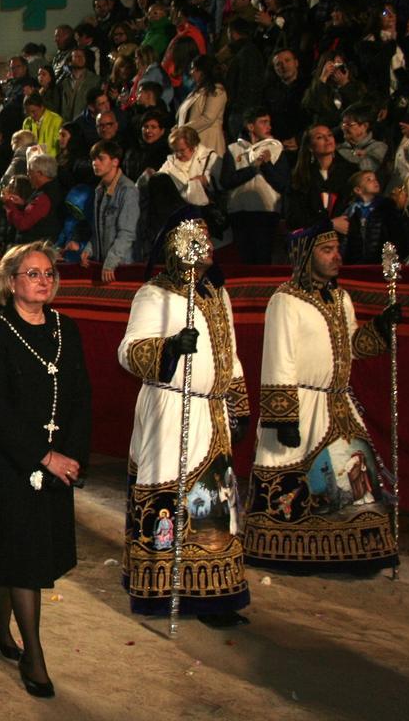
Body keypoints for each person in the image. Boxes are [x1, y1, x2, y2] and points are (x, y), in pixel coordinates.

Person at [242, 223, 401, 573]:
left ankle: (360, 555)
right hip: (301, 405)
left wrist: (381, 329)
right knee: (299, 474)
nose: (336, 258)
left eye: (337, 250)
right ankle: (289, 550)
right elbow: (277, 358)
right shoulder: (284, 301)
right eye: (326, 251)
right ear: (304, 256)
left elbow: (352, 347)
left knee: (357, 487)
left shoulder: (341, 299)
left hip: (338, 404)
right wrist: (283, 417)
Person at [0, 241, 91, 698]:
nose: (43, 281)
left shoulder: (66, 328)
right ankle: (33, 655)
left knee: (18, 544)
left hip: (59, 460)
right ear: (11, 280)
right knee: (22, 553)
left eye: (48, 274)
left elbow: (81, 395)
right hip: (6, 460)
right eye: (33, 273)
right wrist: (44, 456)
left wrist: (73, 453)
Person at [118, 211, 251, 626]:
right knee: (171, 500)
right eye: (198, 239)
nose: (207, 246)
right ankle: (164, 589)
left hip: (211, 411)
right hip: (172, 408)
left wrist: (239, 403)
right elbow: (129, 350)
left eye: (210, 238)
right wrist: (171, 348)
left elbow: (230, 352)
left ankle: (214, 596)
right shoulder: (154, 294)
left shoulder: (217, 294)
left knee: (215, 505)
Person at [221, 109, 288, 264]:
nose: (268, 126)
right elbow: (227, 181)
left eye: (269, 122)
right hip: (240, 214)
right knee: (244, 260)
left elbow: (282, 184)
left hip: (266, 213)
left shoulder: (277, 150)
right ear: (251, 126)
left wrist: (266, 165)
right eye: (263, 122)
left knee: (263, 260)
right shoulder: (233, 149)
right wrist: (253, 168)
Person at [80, 141, 139, 282]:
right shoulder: (100, 189)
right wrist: (90, 248)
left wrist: (111, 261)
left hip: (122, 265)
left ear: (115, 161)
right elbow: (98, 228)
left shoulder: (127, 190)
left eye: (100, 158)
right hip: (106, 263)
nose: (95, 163)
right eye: (93, 159)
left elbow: (127, 232)